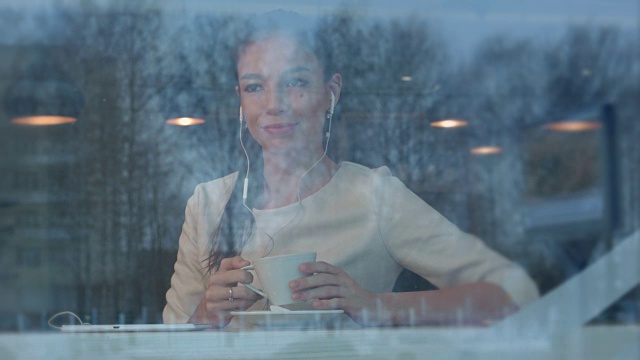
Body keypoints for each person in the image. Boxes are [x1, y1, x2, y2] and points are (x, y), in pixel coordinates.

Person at [163, 11, 539, 328]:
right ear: (240, 100)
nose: (274, 104)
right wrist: (205, 315)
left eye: (295, 82)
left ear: (332, 92)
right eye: (255, 87)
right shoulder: (209, 204)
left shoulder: (374, 196)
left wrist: (373, 306)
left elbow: (512, 293)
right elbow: (163, 343)